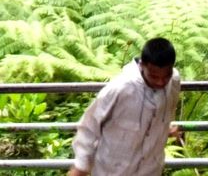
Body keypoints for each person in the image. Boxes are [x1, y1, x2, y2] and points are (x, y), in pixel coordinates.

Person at [68, 37, 181, 176]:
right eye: (154, 76)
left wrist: (164, 129)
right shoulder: (120, 89)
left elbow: (166, 111)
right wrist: (81, 166)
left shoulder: (174, 82)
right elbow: (89, 127)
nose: (160, 82)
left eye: (166, 76)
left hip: (150, 171)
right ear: (142, 65)